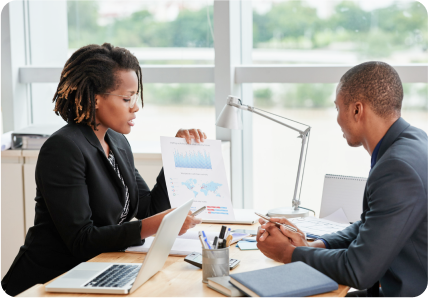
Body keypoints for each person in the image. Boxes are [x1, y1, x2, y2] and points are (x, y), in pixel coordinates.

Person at [1, 43, 205, 296]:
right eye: (127, 98)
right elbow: (82, 240)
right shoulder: (63, 148)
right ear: (96, 99)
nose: (136, 106)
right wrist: (157, 224)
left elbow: (149, 208)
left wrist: (176, 155)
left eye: (136, 97)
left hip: (96, 272)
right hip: (49, 281)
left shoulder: (117, 143)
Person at [256, 62, 428, 298]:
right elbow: (371, 225)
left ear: (357, 110)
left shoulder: (396, 169)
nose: (337, 118)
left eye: (338, 108)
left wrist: (287, 254)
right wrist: (314, 246)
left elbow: (358, 270)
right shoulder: (412, 141)